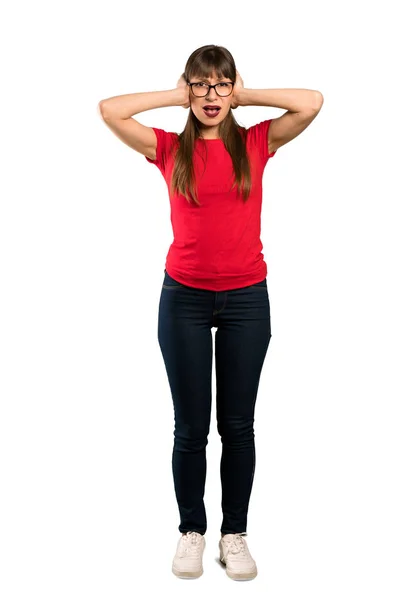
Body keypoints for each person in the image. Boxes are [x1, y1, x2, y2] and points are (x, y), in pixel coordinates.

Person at [98, 44, 323, 581]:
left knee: (239, 426)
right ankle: (191, 532)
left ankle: (234, 534)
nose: (212, 96)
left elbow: (312, 102)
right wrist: (179, 95)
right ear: (187, 89)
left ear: (234, 88)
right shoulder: (170, 149)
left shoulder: (255, 142)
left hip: (248, 297)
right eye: (202, 86)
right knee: (190, 428)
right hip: (184, 299)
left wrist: (244, 93)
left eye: (221, 85)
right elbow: (110, 110)